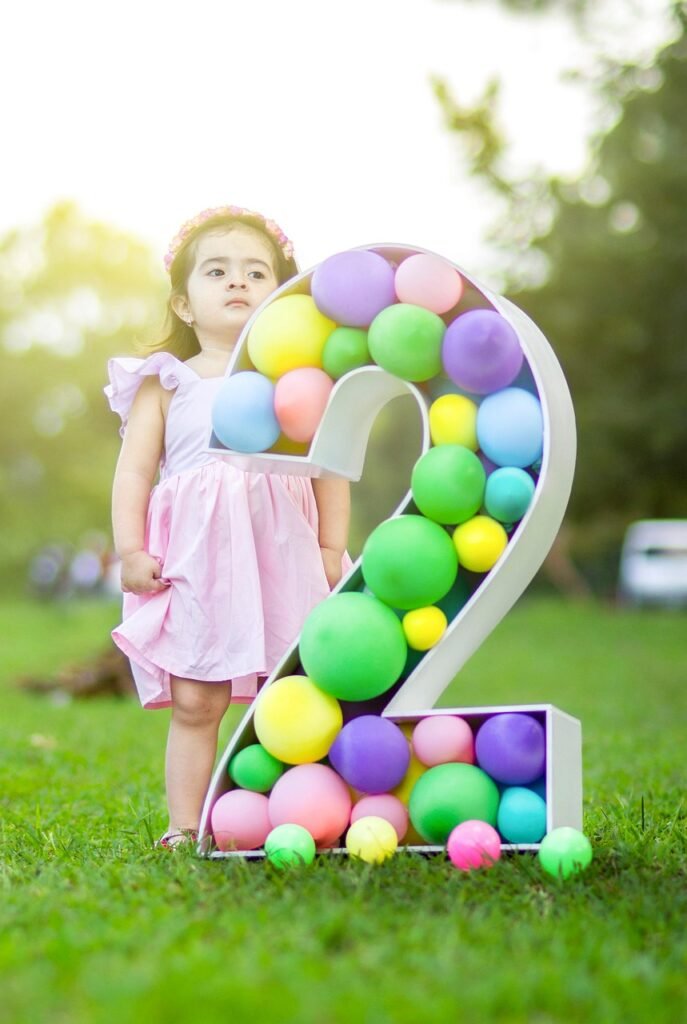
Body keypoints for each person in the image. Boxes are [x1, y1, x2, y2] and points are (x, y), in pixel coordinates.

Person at [105, 206, 351, 848]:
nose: (237, 282)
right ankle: (185, 826)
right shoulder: (168, 381)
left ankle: (301, 814)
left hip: (282, 549)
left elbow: (330, 467)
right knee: (196, 699)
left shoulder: (293, 379)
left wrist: (329, 545)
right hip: (198, 556)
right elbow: (133, 473)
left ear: (282, 294)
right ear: (184, 304)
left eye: (255, 272)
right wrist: (130, 549)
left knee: (296, 694)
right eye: (217, 272)